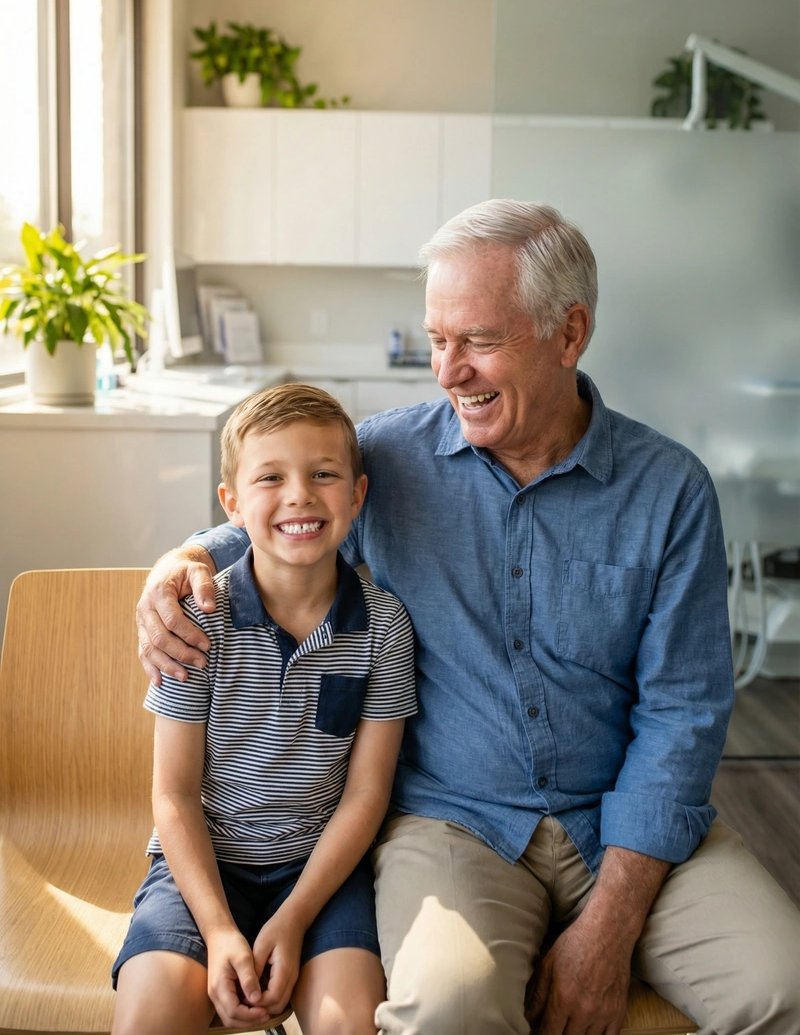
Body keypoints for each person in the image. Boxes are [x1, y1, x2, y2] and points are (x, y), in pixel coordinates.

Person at [137, 201, 800, 1035]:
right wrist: (180, 561)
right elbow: (276, 515)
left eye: (478, 340)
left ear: (570, 333)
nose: (449, 372)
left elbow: (684, 714)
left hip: (628, 826)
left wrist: (610, 924)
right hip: (457, 823)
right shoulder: (388, 458)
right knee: (445, 1010)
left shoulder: (669, 491)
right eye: (438, 340)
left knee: (783, 986)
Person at [115, 384, 416, 1035]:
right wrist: (220, 930)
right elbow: (173, 795)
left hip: (321, 872)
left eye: (324, 474)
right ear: (231, 504)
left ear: (357, 495)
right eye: (271, 477)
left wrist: (295, 916)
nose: (299, 495)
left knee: (350, 1022)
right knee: (150, 1015)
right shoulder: (196, 622)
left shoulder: (386, 628)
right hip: (200, 867)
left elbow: (366, 795)